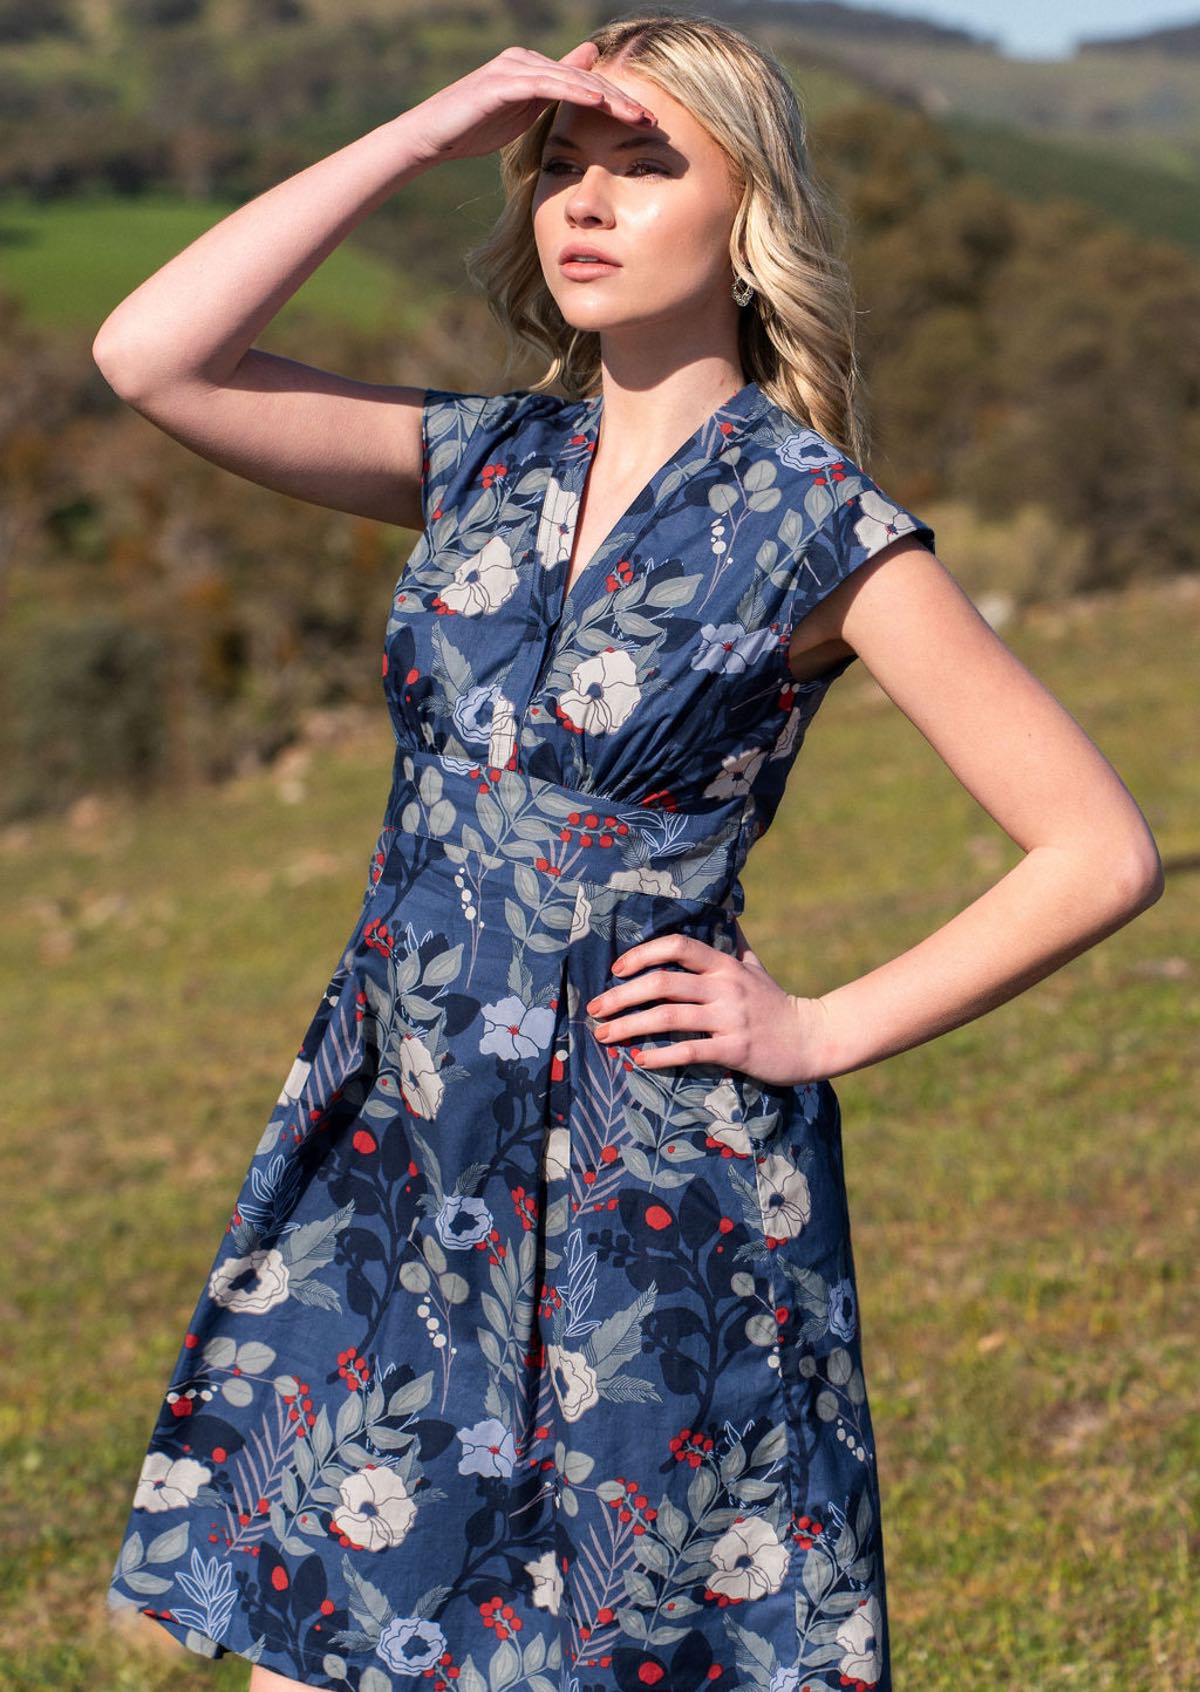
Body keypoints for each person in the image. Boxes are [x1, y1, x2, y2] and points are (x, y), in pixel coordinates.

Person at [95, 16, 1163, 1692]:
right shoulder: (479, 463)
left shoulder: (819, 525)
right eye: (559, 169)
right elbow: (152, 356)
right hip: (403, 1141)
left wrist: (820, 1029)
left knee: (602, 1651)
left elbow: (1097, 851)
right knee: (319, 1647)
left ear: (752, 218)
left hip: (643, 1178)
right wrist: (424, 131)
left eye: (642, 163)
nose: (582, 203)